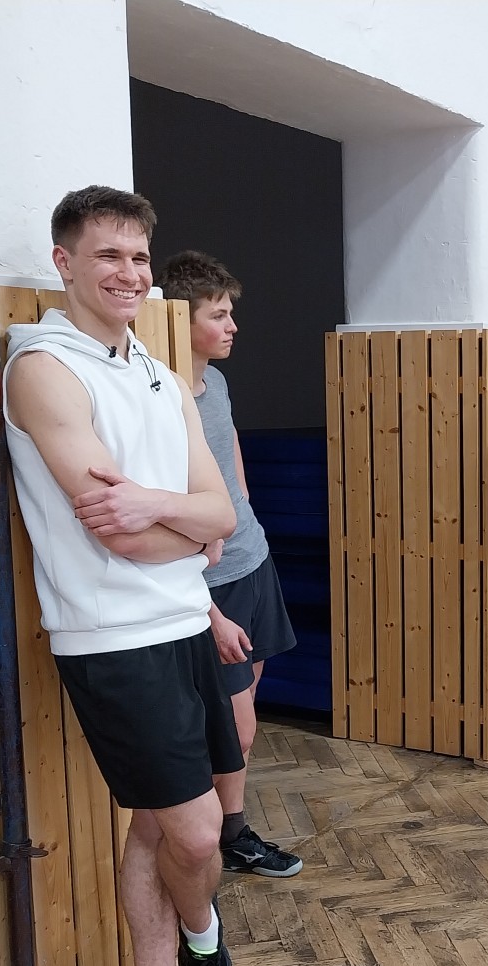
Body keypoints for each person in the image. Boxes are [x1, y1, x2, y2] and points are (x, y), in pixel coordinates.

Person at [3, 186, 261, 966]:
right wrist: (182, 519)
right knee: (194, 832)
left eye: (139, 257)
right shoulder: (45, 367)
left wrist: (160, 506)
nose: (128, 272)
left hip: (185, 621)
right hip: (114, 639)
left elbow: (222, 513)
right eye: (107, 254)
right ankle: (202, 939)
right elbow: (127, 537)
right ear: (65, 263)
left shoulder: (157, 370)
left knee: (160, 822)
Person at [157, 250, 302, 879]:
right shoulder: (160, 399)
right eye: (218, 315)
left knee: (248, 707)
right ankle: (213, 840)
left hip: (252, 561)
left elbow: (230, 449)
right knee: (235, 727)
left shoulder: (214, 385)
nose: (232, 326)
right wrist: (208, 609)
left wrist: (245, 513)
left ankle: (232, 832)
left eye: (230, 313)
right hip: (206, 582)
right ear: (181, 319)